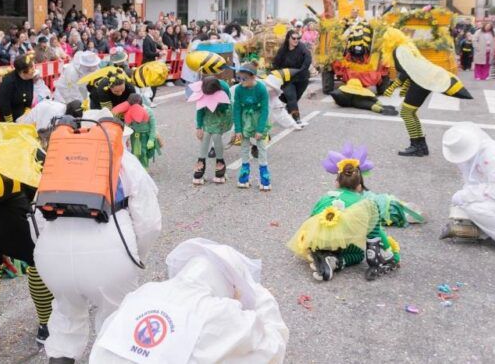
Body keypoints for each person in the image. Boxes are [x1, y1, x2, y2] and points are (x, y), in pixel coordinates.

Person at [34, 113, 162, 363]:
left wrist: (48, 252)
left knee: (66, 316)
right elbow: (150, 222)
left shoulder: (58, 161)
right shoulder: (126, 162)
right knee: (116, 319)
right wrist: (137, 257)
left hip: (52, 256)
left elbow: (37, 219)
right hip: (110, 252)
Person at [90, 238, 289, 363]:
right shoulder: (219, 312)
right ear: (228, 287)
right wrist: (260, 295)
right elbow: (272, 349)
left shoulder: (145, 292)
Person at [288, 146, 401, 281]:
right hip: (339, 241)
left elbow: (312, 217)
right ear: (359, 187)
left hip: (315, 240)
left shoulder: (326, 196)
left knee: (335, 230)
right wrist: (392, 253)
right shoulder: (362, 202)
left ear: (336, 183)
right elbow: (376, 229)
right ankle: (341, 260)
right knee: (358, 253)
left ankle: (323, 254)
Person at [381, 27, 472, 157]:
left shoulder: (399, 50)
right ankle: (421, 146)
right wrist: (404, 88)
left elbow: (406, 71)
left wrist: (393, 86)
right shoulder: (406, 47)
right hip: (423, 81)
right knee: (411, 113)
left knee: (406, 113)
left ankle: (416, 146)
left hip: (421, 82)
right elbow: (412, 70)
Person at [441, 123, 495, 256]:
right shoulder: (478, 154)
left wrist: (466, 196)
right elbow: (476, 182)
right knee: (469, 204)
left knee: (475, 208)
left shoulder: (494, 155)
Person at [231, 62, 270, 190]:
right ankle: (244, 175)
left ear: (253, 77)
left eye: (244, 79)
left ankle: (264, 177)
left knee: (261, 147)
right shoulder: (238, 89)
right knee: (244, 146)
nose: (241, 81)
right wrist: (238, 129)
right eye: (239, 78)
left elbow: (265, 110)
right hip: (245, 119)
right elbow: (236, 109)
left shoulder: (261, 89)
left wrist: (260, 129)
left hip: (258, 118)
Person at [188, 76, 232, 185]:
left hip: (221, 115)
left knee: (216, 137)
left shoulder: (224, 88)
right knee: (205, 136)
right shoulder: (202, 88)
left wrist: (218, 104)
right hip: (207, 115)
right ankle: (201, 165)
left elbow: (226, 107)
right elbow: (199, 109)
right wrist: (199, 127)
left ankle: (219, 165)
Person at [271, 29, 312, 125]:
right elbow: (276, 63)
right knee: (291, 97)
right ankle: (296, 118)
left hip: (302, 78)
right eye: (293, 38)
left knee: (295, 98)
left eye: (298, 38)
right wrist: (276, 74)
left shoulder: (302, 48)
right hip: (287, 79)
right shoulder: (283, 50)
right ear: (288, 39)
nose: (296, 40)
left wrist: (302, 69)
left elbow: (308, 58)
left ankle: (289, 109)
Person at [111, 93, 159, 168]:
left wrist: (151, 139)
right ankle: (138, 168)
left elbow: (153, 126)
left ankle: (144, 168)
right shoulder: (129, 111)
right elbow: (127, 124)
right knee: (135, 152)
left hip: (145, 135)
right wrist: (125, 138)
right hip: (135, 135)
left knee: (143, 152)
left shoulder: (149, 112)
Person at [0, 54, 35, 122]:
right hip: (6, 117)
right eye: (31, 68)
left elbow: (29, 97)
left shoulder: (29, 78)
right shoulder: (8, 82)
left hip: (21, 115)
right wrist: (10, 123)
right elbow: (5, 105)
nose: (34, 70)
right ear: (22, 71)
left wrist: (27, 114)